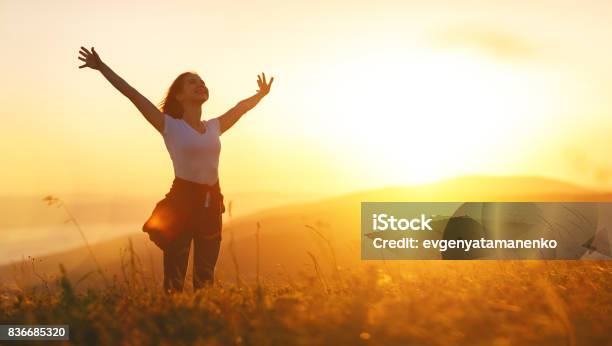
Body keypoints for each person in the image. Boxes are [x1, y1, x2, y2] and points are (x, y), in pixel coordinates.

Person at [77, 46, 273, 293]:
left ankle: (202, 324)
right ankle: (171, 323)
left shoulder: (214, 127)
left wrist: (261, 95)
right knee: (175, 279)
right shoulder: (168, 125)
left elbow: (239, 109)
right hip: (181, 203)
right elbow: (133, 95)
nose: (200, 85)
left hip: (211, 204)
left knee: (205, 278)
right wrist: (102, 67)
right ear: (179, 96)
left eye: (202, 82)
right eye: (192, 83)